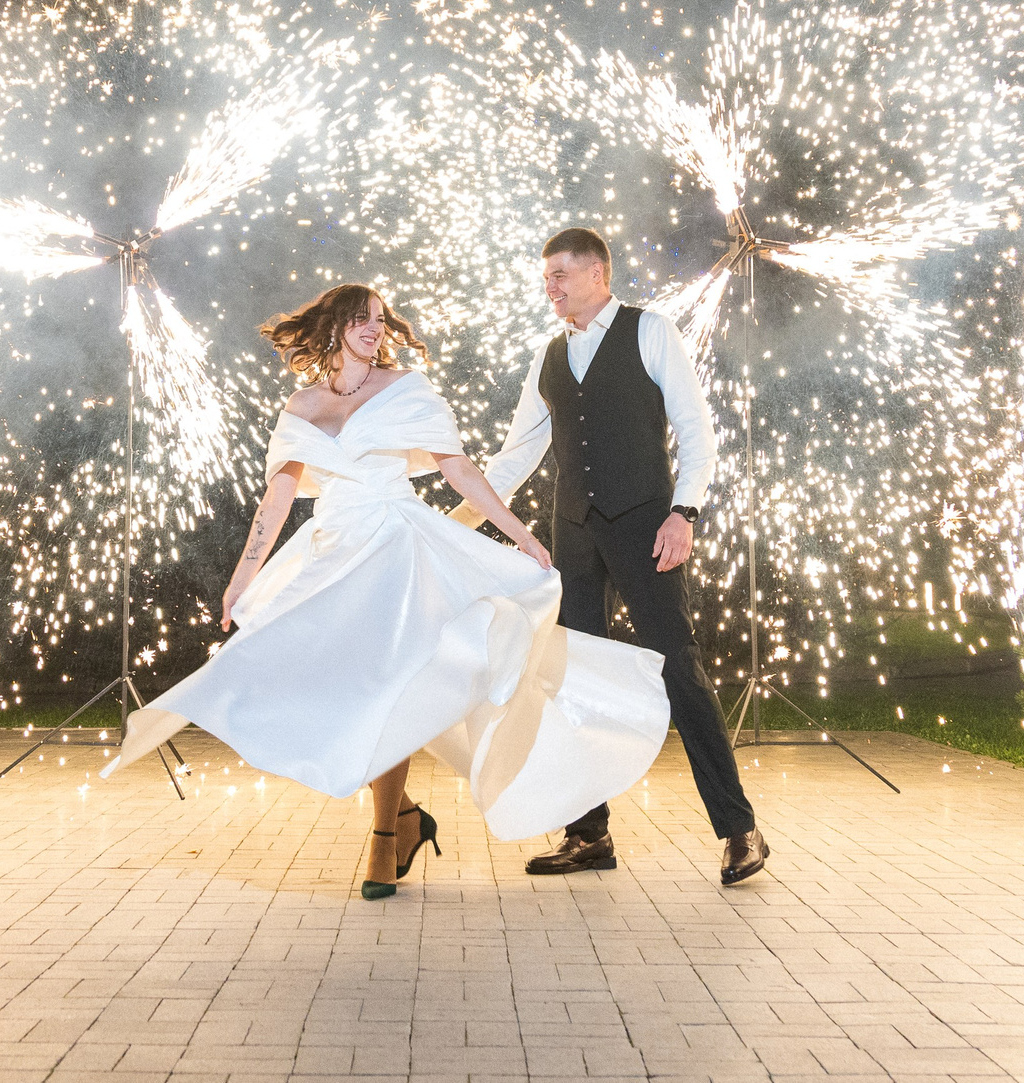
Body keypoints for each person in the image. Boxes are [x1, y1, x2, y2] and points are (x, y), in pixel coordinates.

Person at [105, 282, 671, 899]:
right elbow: (278, 497)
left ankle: (382, 838)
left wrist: (522, 537)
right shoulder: (300, 407)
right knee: (343, 688)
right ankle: (404, 819)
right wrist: (243, 577)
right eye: (361, 320)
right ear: (332, 328)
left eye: (380, 320)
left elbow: (458, 469)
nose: (375, 329)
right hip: (334, 553)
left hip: (398, 550)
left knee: (391, 684)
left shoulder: (406, 389)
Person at [485, 227, 769, 885]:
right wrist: (456, 516)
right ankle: (588, 835)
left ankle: (740, 829)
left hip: (648, 524)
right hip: (574, 533)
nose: (550, 286)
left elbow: (697, 430)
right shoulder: (549, 355)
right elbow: (517, 454)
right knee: (573, 678)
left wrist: (684, 511)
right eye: (546, 275)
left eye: (560, 273)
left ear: (597, 273)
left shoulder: (651, 330)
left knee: (679, 668)